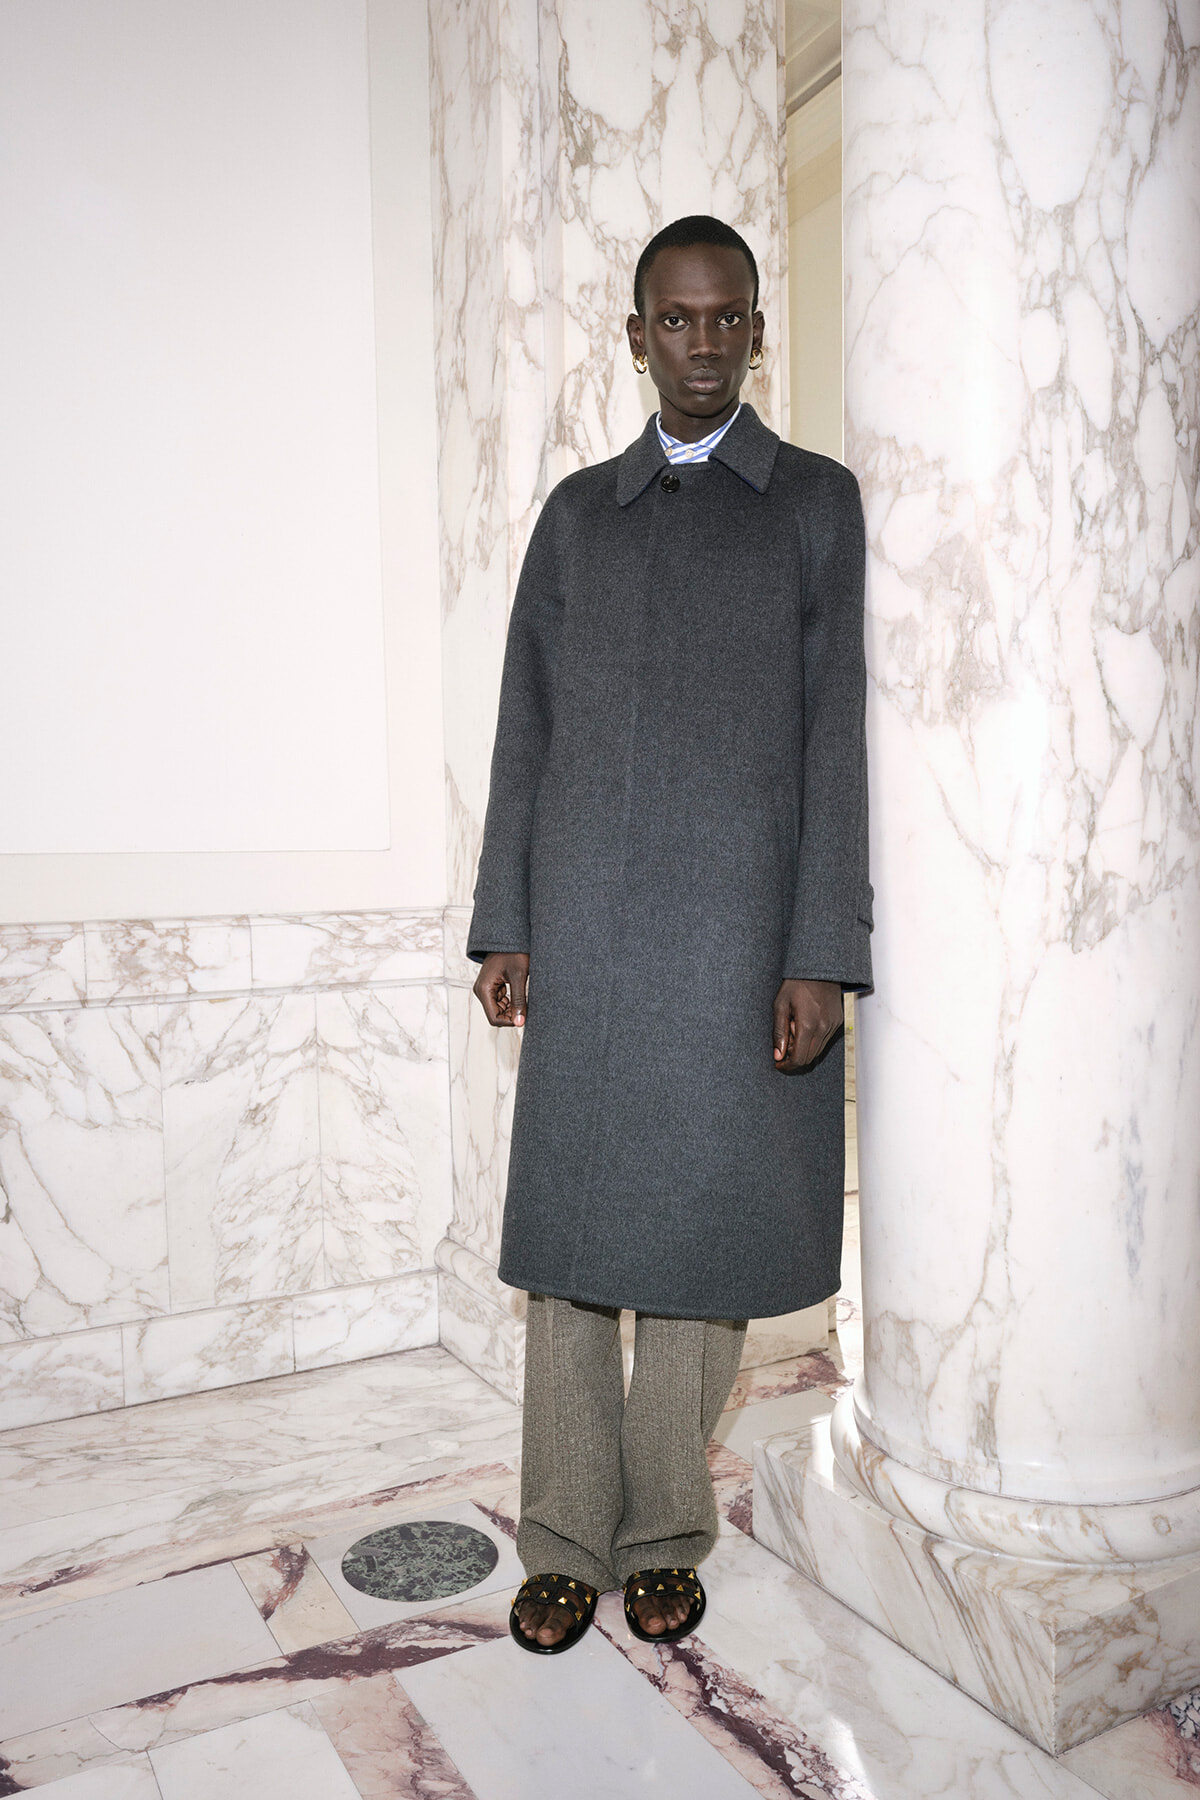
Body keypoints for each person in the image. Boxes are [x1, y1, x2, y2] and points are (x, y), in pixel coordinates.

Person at [468, 215, 871, 1654]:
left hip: (735, 936)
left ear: (758, 330)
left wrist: (819, 947)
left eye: (729, 319)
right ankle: (565, 1536)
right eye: (677, 321)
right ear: (636, 335)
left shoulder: (817, 505)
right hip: (582, 922)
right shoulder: (579, 513)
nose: (704, 344)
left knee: (697, 1241)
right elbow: (528, 723)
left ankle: (662, 1535)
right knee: (573, 1243)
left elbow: (839, 743)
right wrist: (506, 917)